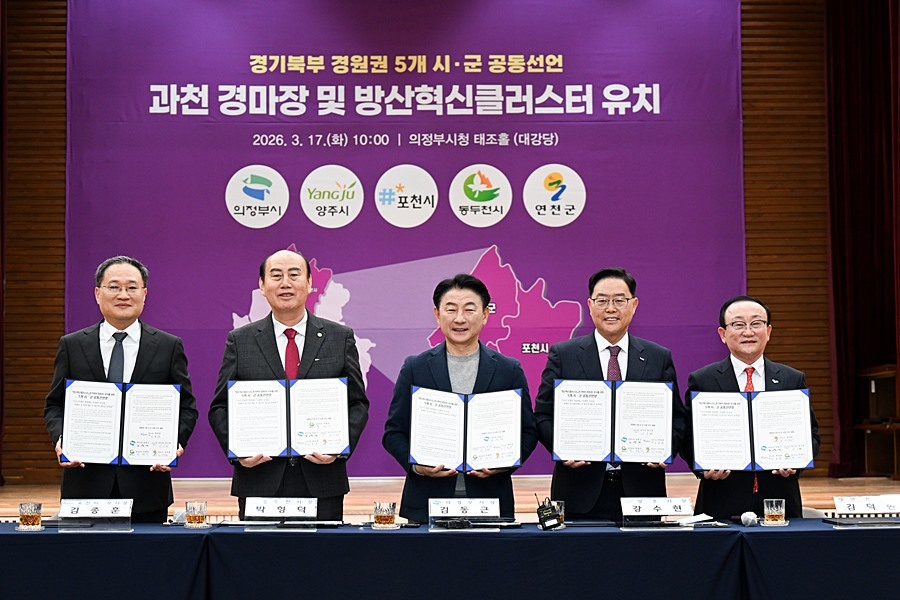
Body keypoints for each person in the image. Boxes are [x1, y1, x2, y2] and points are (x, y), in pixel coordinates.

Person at [208, 249, 369, 520]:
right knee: (260, 550)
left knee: (322, 549)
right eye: (276, 276)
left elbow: (357, 403)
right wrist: (239, 452)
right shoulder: (241, 340)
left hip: (322, 480)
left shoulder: (339, 337)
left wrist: (338, 448)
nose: (286, 283)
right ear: (262, 285)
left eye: (294, 275)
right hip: (259, 478)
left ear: (309, 283)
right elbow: (220, 407)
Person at [43, 255, 198, 523]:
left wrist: (173, 444)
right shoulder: (72, 345)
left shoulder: (168, 346)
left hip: (147, 486)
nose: (123, 295)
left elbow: (187, 407)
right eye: (114, 287)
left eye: (132, 287)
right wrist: (61, 440)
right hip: (85, 484)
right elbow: (55, 405)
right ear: (97, 293)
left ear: (144, 294)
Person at [383, 274, 538, 523]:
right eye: (451, 309)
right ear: (437, 314)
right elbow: (394, 433)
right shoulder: (415, 368)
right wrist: (416, 467)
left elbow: (528, 432)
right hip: (426, 501)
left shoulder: (509, 370)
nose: (459, 318)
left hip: (491, 500)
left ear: (485, 314)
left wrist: (505, 463)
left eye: (469, 309)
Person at [534, 268, 686, 521]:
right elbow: (543, 415)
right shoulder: (564, 355)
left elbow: (677, 417)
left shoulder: (658, 357)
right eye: (602, 300)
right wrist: (563, 448)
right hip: (578, 490)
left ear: (634, 305)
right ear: (590, 305)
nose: (611, 308)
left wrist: (664, 449)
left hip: (642, 490)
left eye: (619, 300)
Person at [683, 295, 819, 520]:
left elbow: (811, 434)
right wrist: (703, 467)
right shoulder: (703, 380)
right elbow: (687, 435)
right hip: (721, 498)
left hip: (779, 498)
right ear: (723, 334)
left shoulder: (791, 379)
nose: (748, 332)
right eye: (738, 324)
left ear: (768, 331)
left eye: (756, 323)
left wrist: (796, 461)